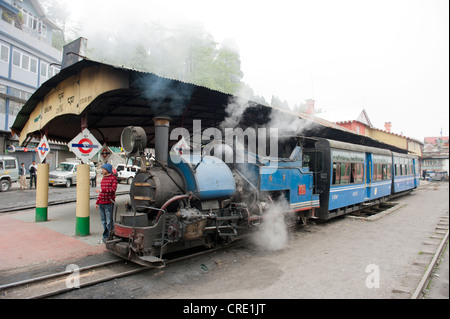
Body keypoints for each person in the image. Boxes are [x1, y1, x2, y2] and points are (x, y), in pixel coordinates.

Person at [95, 163, 117, 244]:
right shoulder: (103, 179)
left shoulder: (113, 179)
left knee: (109, 221)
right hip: (101, 203)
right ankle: (105, 237)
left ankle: (110, 236)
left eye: (104, 169)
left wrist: (102, 190)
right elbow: (101, 193)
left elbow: (113, 189)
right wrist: (97, 202)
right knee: (103, 221)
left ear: (107, 170)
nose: (102, 170)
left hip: (108, 203)